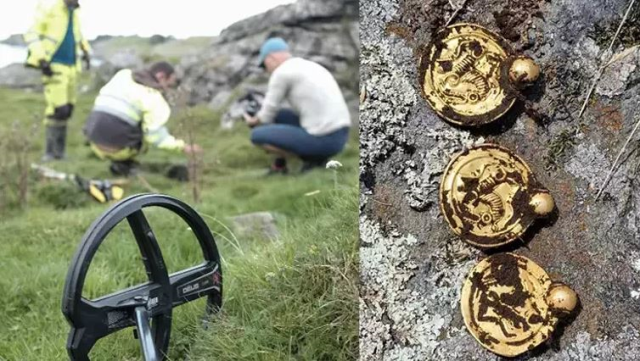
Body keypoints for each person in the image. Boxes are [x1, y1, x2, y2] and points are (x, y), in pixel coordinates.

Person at [244, 37, 351, 174]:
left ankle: (312, 159)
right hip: (340, 135)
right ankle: (282, 166)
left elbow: (266, 116)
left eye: (264, 65)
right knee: (280, 115)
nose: (266, 70)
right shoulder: (309, 65)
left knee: (257, 135)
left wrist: (252, 121)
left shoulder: (281, 73)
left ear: (270, 58)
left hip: (324, 139)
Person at [83, 61, 200, 176]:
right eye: (170, 84)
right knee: (144, 129)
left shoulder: (123, 75)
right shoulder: (154, 98)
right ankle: (124, 164)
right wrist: (183, 147)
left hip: (93, 140)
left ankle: (119, 162)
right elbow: (156, 137)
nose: (168, 89)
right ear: (162, 77)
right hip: (118, 150)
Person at [24, 0, 92, 161]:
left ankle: (60, 154)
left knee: (68, 110)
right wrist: (41, 59)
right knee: (57, 110)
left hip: (72, 68)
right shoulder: (49, 7)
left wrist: (86, 51)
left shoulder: (74, 13)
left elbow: (77, 34)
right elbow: (31, 34)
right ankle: (49, 153)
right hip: (53, 65)